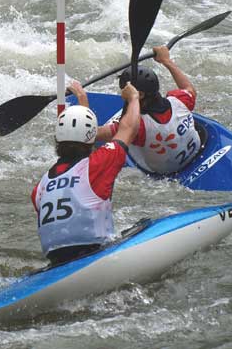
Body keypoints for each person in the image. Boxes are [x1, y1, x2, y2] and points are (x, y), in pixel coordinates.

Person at [30, 80, 140, 266]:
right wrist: (134, 98)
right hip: (94, 254)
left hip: (55, 262)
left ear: (58, 138)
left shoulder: (40, 187)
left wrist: (82, 99)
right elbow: (129, 128)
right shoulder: (98, 164)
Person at [97, 45, 201, 175]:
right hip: (196, 153)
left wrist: (81, 98)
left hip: (164, 173)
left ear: (139, 94)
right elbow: (188, 88)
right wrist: (166, 61)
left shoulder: (138, 128)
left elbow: (92, 135)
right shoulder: (179, 101)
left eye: (123, 90)